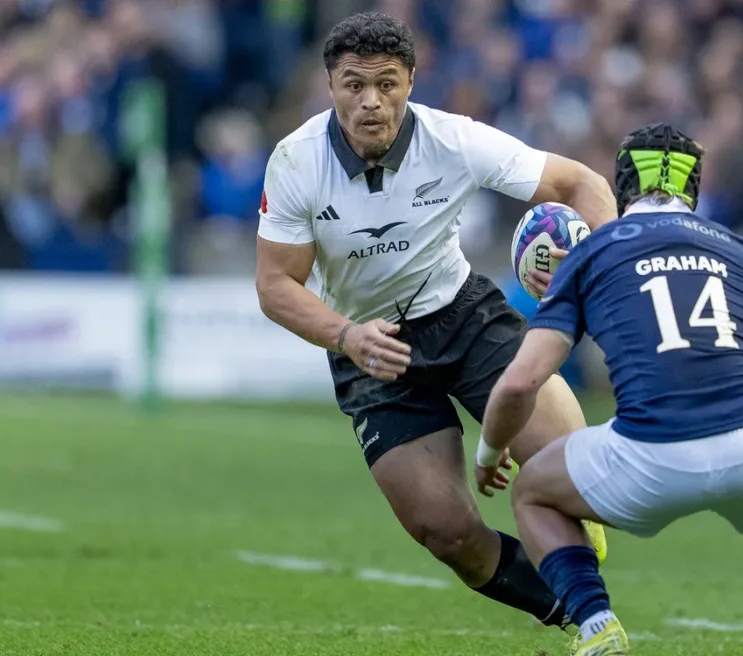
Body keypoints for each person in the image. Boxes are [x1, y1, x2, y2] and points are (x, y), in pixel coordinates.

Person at [475, 123, 743, 656]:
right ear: (695, 188)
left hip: (647, 455)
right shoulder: (741, 249)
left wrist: (491, 451)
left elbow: (521, 382)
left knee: (532, 493)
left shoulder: (591, 252)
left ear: (621, 187)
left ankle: (596, 623)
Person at [254, 11, 614, 649]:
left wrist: (591, 270)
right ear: (329, 85)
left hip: (463, 316)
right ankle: (581, 617)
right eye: (354, 85)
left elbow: (579, 182)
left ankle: (575, 531)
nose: (371, 101)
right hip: (368, 349)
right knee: (447, 533)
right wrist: (346, 337)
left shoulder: (454, 139)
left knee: (581, 471)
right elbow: (276, 285)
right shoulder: (295, 162)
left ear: (411, 81)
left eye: (387, 84)